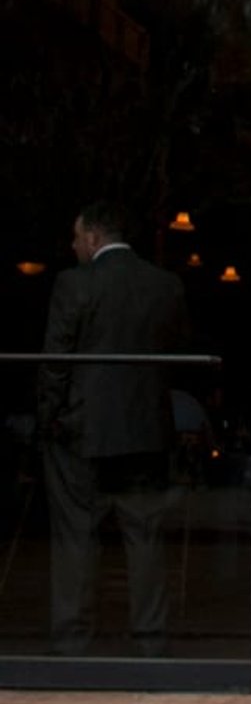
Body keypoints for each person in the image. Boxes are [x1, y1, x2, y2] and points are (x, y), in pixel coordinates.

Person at [37, 202, 191, 656]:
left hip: (81, 432)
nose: (73, 246)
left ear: (92, 237)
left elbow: (56, 359)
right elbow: (178, 350)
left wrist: (48, 419)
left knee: (75, 537)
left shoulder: (75, 283)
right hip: (145, 430)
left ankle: (72, 639)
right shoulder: (165, 285)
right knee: (144, 538)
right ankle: (150, 639)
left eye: (75, 238)